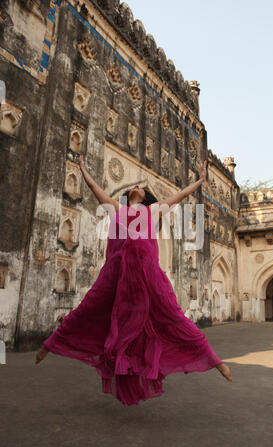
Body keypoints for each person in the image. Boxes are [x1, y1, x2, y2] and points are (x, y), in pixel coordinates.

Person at [35, 154, 232, 406]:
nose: (137, 187)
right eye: (134, 188)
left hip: (147, 272)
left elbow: (180, 195)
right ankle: (50, 345)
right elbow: (96, 190)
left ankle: (214, 361)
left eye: (139, 187)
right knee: (88, 307)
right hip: (116, 271)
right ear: (129, 196)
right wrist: (83, 169)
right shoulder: (119, 208)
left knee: (172, 316)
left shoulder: (153, 209)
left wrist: (201, 181)